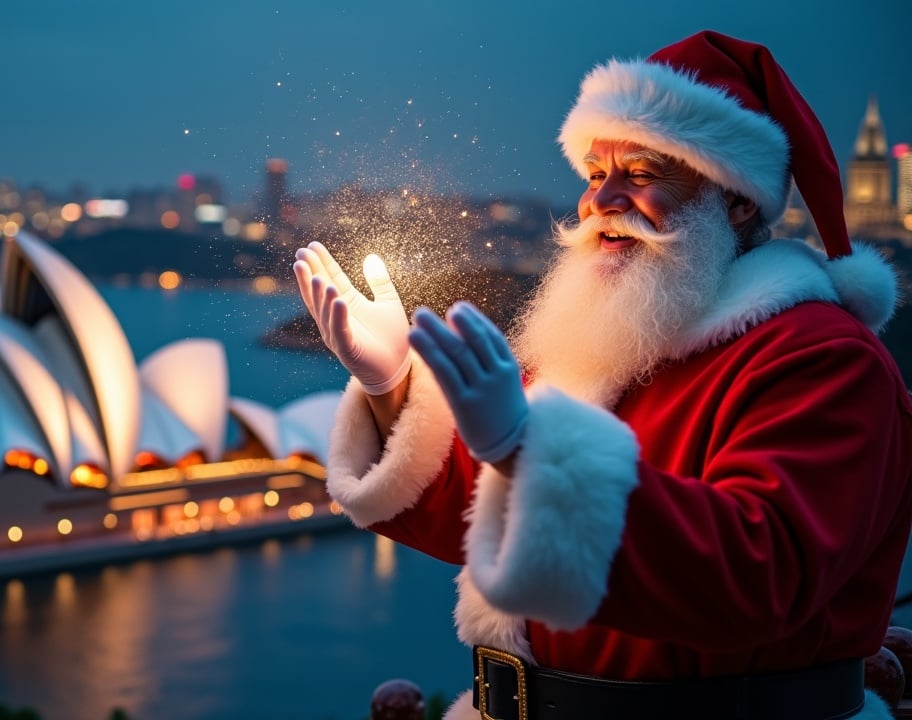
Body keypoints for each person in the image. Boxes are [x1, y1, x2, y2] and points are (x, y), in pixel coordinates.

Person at [293, 30, 912, 719]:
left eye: (642, 174)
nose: (600, 201)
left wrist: (526, 451)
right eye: (595, 174)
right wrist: (393, 386)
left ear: (738, 200)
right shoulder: (612, 344)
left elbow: (757, 576)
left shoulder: (821, 359)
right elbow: (480, 511)